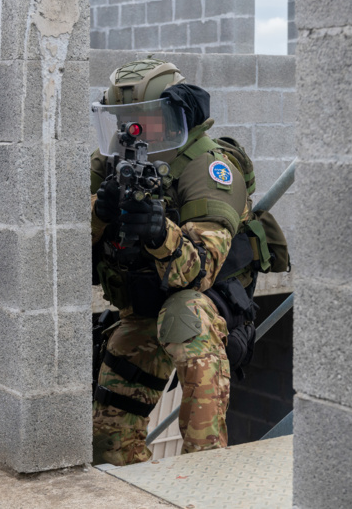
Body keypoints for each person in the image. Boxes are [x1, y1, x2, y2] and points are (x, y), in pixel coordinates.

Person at [89, 57, 250, 466]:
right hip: (141, 308)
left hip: (204, 304)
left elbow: (202, 270)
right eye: (124, 122)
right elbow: (55, 248)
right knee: (108, 439)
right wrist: (98, 213)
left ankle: (206, 467)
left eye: (146, 120)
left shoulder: (209, 166)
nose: (134, 132)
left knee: (184, 314)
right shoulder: (108, 161)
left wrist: (161, 234)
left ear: (172, 117)